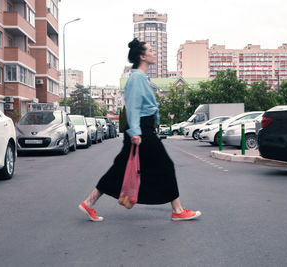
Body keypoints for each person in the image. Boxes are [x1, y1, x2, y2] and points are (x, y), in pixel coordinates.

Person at [78, 38, 201, 222]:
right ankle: (178, 210)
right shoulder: (136, 78)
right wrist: (135, 132)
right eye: (150, 50)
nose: (153, 53)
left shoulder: (142, 77)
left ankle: (88, 203)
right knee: (166, 165)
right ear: (142, 56)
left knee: (119, 169)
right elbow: (133, 107)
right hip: (142, 130)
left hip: (143, 128)